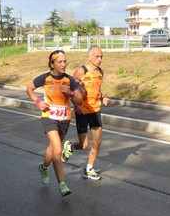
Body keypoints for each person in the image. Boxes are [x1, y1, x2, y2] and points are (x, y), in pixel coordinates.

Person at [26, 50, 83, 197]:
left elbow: (79, 100)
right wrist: (38, 101)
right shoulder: (44, 78)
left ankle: (44, 167)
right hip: (49, 116)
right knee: (57, 150)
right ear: (52, 64)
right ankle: (62, 184)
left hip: (64, 118)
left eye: (65, 61)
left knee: (53, 148)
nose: (64, 64)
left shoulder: (69, 80)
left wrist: (69, 93)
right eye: (60, 62)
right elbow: (29, 88)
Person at [61, 45, 111, 181]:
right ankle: (70, 147)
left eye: (101, 57)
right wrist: (76, 104)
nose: (100, 59)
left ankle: (89, 169)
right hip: (82, 111)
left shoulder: (100, 72)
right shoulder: (80, 71)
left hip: (95, 110)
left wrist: (103, 98)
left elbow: (97, 90)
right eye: (97, 56)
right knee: (84, 146)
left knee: (97, 142)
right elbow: (66, 88)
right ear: (89, 57)